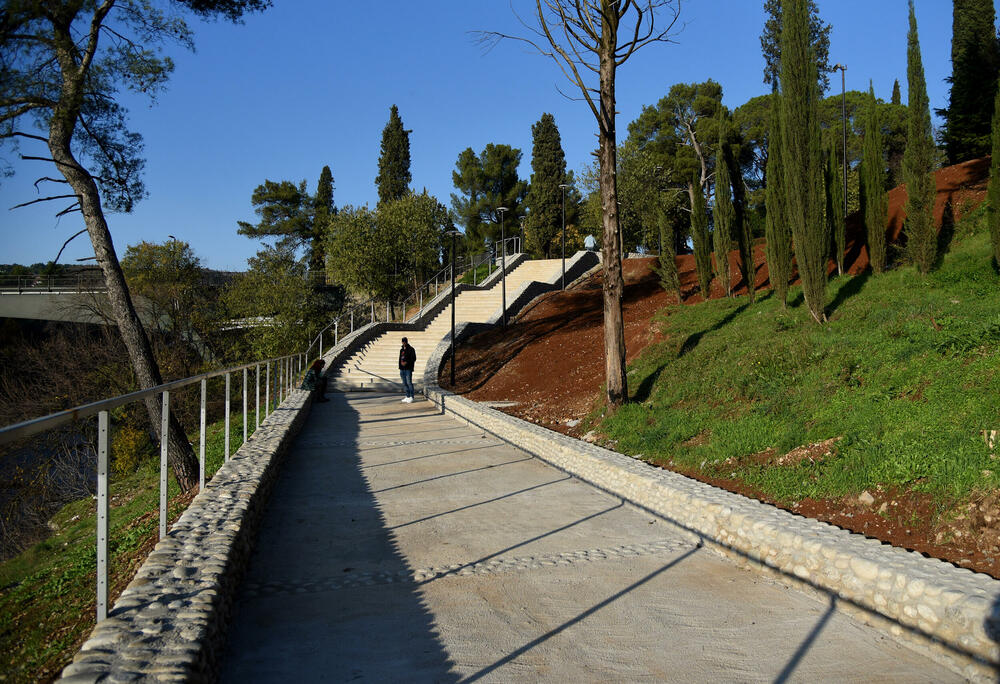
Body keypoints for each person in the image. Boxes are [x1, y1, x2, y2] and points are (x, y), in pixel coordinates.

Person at [399, 337, 416, 403]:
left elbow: (413, 358)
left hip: (408, 368)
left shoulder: (411, 349)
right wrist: (400, 365)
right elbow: (400, 358)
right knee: (404, 383)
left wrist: (406, 362)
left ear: (407, 342)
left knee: (409, 382)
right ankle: (407, 396)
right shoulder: (401, 350)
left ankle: (411, 396)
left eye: (405, 342)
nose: (404, 343)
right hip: (402, 369)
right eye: (403, 342)